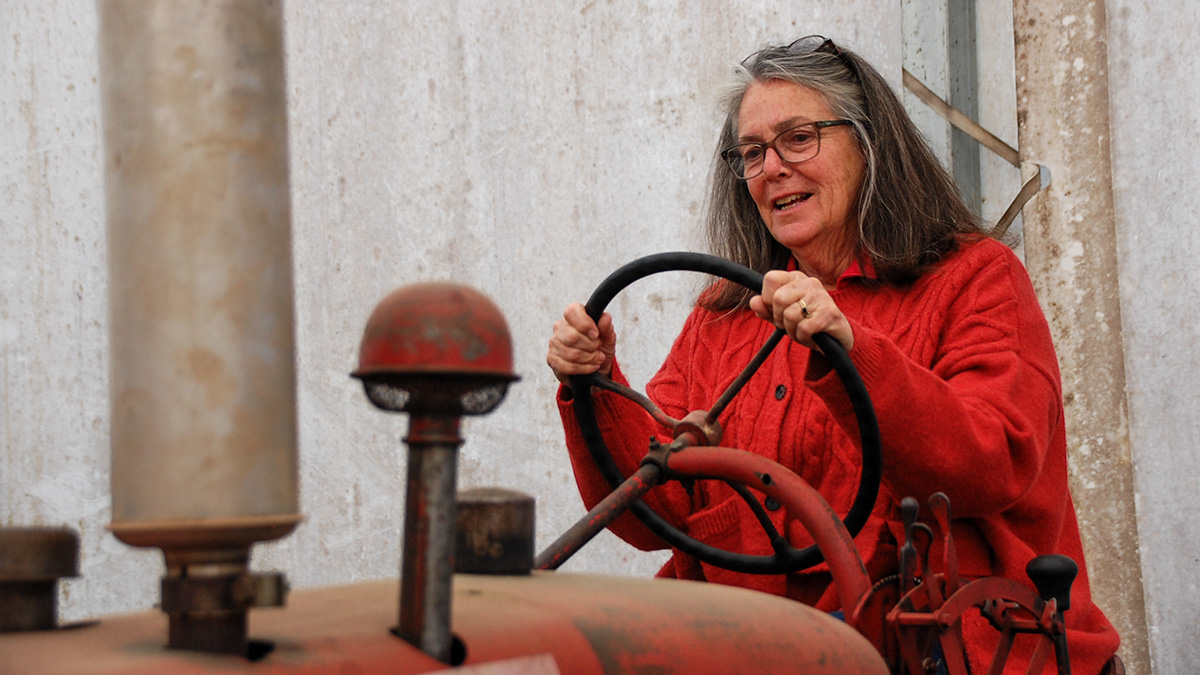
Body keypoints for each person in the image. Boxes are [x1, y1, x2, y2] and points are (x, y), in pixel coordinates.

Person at [546, 37, 1119, 674]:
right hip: (757, 649)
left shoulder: (976, 278)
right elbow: (657, 513)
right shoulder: (724, 315)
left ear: (870, 143)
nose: (772, 168)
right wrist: (597, 385)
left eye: (798, 138)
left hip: (949, 648)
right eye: (753, 153)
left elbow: (990, 461)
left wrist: (855, 352)